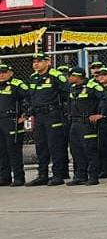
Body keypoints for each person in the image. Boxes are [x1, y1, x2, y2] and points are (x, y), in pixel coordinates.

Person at [23, 53, 70, 186]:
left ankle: (58, 175)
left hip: (53, 114)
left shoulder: (56, 76)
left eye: (39, 61)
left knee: (55, 145)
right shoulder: (33, 77)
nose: (36, 64)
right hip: (38, 116)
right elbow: (32, 98)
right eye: (34, 62)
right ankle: (42, 175)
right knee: (41, 146)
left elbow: (68, 94)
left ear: (47, 62)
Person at [64, 67, 106, 185]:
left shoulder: (92, 86)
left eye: (70, 75)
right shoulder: (72, 88)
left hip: (87, 122)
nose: (68, 78)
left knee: (90, 149)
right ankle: (80, 175)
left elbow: (106, 98)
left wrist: (100, 114)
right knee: (76, 150)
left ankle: (93, 176)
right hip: (74, 122)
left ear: (77, 76)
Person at [0, 65, 23, 187]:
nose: (1, 75)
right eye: (0, 72)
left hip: (11, 120)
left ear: (11, 73)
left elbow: (30, 97)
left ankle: (19, 177)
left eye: (4, 72)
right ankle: (4, 177)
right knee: (2, 151)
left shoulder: (17, 84)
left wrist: (25, 114)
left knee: (13, 150)